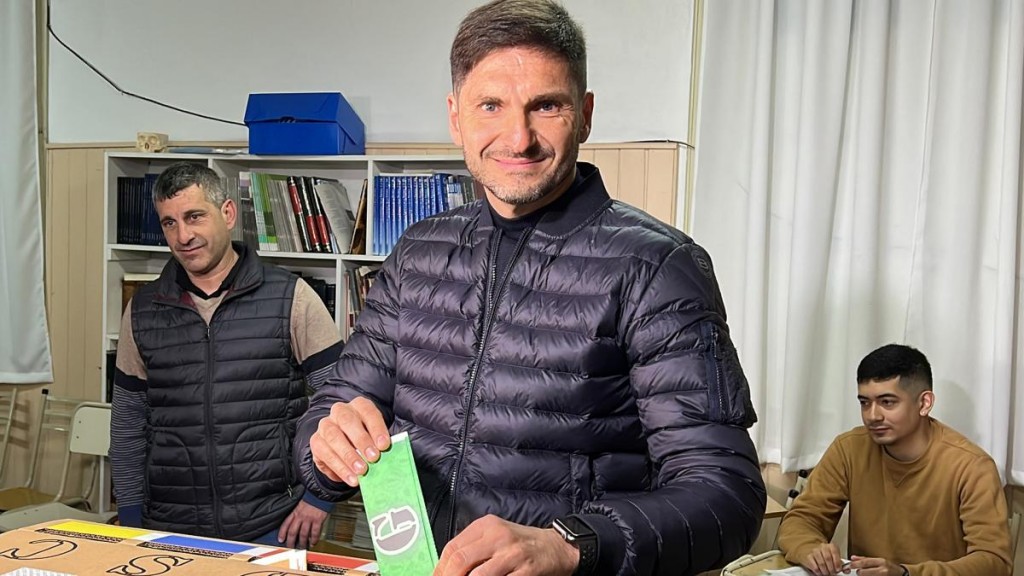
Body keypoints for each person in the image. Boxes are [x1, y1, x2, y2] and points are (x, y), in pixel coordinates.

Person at [295, 1, 766, 574]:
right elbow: (332, 409)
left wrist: (571, 543)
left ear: (585, 115)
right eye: (490, 105)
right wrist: (327, 447)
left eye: (546, 106)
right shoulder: (418, 252)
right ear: (456, 116)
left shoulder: (657, 266)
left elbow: (726, 496)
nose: (518, 139)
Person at [110, 162, 344, 548]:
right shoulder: (143, 309)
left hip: (272, 525)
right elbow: (127, 423)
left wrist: (320, 499)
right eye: (169, 223)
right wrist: (132, 515)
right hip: (167, 528)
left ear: (228, 213)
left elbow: (341, 405)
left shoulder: (293, 298)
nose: (183, 236)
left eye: (194, 216)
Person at [777, 344, 1012, 576]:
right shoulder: (848, 449)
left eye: (887, 402)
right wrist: (809, 548)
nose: (872, 416)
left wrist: (906, 573)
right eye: (864, 403)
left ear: (924, 403)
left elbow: (995, 562)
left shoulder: (971, 466)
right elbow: (801, 519)